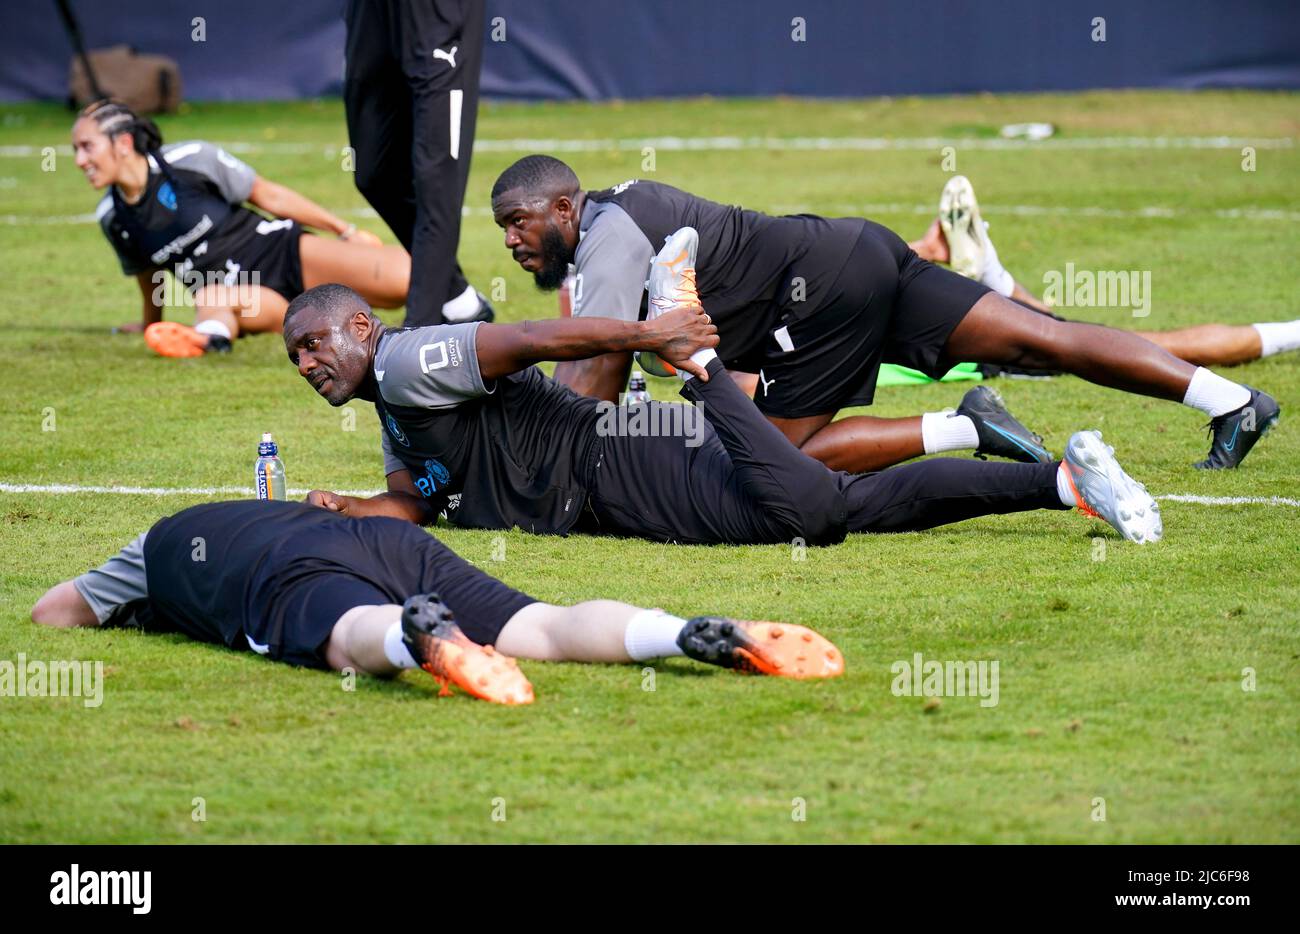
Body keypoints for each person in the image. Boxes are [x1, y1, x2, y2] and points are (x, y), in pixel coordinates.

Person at [288, 230, 1164, 549]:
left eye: (313, 342)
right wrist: (342, 509)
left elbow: (531, 338)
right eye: (294, 357)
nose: (306, 363)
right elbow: (413, 501)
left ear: (362, 326)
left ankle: (695, 364)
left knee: (818, 514)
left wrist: (652, 335)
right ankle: (1063, 482)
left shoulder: (405, 361)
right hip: (614, 482)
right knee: (842, 503)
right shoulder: (395, 414)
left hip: (618, 464)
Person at [490, 156, 1279, 472]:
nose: (514, 242)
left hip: (822, 293)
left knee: (774, 467)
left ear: (565, 205)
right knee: (1044, 340)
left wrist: (518, 453)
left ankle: (968, 427)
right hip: (854, 251)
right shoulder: (625, 213)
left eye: (519, 222)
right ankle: (1231, 401)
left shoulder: (606, 239)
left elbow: (586, 384)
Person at [30, 499, 846, 707]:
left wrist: (139, 605)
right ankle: (680, 634)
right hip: (382, 540)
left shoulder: (157, 546)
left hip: (281, 568)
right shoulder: (245, 510)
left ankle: (416, 639)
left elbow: (54, 614)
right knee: (542, 629)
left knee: (347, 636)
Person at [74, 100, 411, 358]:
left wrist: (345, 231)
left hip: (282, 251)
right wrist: (151, 324)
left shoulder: (192, 159)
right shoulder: (112, 216)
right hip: (242, 294)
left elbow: (268, 194)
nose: (79, 161)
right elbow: (149, 275)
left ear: (123, 142)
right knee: (211, 297)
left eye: (87, 146)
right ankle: (208, 340)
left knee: (405, 277)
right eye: (76, 149)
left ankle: (455, 310)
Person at [911, 174, 1300, 370]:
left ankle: (989, 274)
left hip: (960, 351)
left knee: (1146, 348)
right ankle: (988, 273)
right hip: (941, 340)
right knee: (1065, 329)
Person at [342, 0, 494, 327]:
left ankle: (417, 339)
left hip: (436, 14)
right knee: (373, 174)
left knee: (436, 187)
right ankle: (459, 298)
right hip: (374, 12)